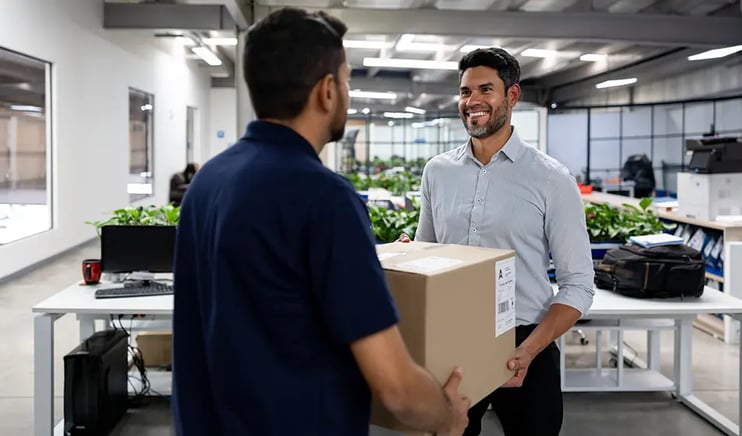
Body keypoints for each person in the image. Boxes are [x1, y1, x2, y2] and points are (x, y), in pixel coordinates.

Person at [171, 7, 470, 436]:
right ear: (327, 91)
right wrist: (446, 415)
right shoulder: (324, 197)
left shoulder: (207, 182)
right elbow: (397, 388)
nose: (347, 92)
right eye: (347, 80)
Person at [408, 47, 595, 436]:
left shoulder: (551, 179)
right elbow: (428, 253)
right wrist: (409, 254)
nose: (472, 101)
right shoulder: (437, 172)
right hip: (452, 339)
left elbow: (578, 285)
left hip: (527, 339)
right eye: (464, 92)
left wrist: (528, 350)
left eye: (485, 90)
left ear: (512, 95)